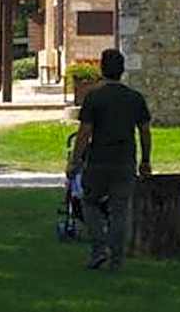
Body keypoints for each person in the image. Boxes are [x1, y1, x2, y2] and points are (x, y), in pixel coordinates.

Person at [66, 48, 151, 271]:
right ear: (122, 71)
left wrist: (75, 161)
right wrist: (146, 160)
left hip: (98, 160)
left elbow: (85, 132)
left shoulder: (94, 97)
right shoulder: (135, 98)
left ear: (102, 69)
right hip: (125, 160)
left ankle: (98, 249)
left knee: (89, 203)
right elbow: (144, 131)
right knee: (120, 210)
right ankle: (117, 259)